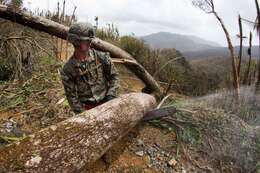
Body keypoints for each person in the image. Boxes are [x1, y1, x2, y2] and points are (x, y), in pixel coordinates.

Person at [60, 22, 120, 114]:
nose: (90, 42)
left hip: (107, 102)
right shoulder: (68, 69)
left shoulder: (102, 57)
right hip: (87, 109)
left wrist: (111, 96)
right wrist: (84, 114)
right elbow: (72, 97)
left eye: (90, 40)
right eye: (86, 40)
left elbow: (114, 77)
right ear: (76, 41)